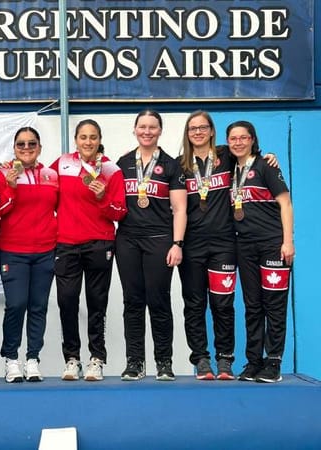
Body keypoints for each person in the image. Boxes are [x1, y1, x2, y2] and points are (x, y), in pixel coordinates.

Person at [177, 111, 279, 381]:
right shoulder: (180, 166)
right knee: (194, 303)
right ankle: (200, 358)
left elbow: (251, 157)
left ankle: (225, 358)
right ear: (187, 134)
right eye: (192, 129)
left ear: (211, 131)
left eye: (203, 127)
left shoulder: (227, 156)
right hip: (191, 246)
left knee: (223, 304)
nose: (198, 132)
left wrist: (270, 157)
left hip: (224, 245)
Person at [50, 119, 127, 381]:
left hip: (100, 242)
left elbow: (119, 211)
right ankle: (72, 359)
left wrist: (102, 197)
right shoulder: (62, 164)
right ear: (76, 139)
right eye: (83, 137)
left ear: (99, 139)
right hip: (67, 243)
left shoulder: (111, 170)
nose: (88, 142)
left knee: (97, 303)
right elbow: (39, 185)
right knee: (67, 302)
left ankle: (97, 359)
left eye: (93, 137)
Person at [115, 109, 187, 382]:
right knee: (132, 301)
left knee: (158, 300)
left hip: (159, 240)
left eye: (152, 127)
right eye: (142, 126)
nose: (147, 131)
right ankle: (135, 362)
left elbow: (180, 209)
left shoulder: (170, 165)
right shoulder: (121, 163)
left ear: (160, 130)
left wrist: (177, 243)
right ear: (135, 129)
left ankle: (163, 362)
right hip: (128, 240)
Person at [226, 120, 294, 383]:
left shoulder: (266, 165)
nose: (238, 142)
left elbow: (286, 204)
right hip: (244, 245)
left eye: (244, 137)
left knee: (274, 305)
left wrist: (287, 242)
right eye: (233, 138)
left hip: (272, 244)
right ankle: (254, 362)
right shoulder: (231, 167)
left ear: (253, 139)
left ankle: (273, 362)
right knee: (252, 306)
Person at [0, 127, 58, 383]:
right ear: (15, 148)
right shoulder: (1, 175)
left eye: (32, 144)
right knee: (16, 305)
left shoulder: (52, 175)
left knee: (38, 306)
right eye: (21, 144)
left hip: (45, 251)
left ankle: (32, 359)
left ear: (39, 147)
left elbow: (63, 208)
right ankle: (11, 359)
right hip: (13, 251)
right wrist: (9, 185)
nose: (27, 148)